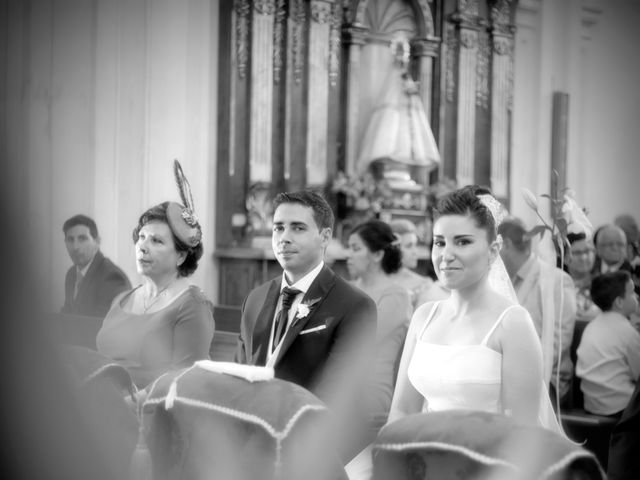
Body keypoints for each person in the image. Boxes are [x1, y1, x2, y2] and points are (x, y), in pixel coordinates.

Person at [345, 185, 560, 480]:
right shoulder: (424, 317)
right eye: (439, 242)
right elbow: (403, 411)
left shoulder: (513, 324)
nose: (446, 255)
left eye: (462, 242)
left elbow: (523, 434)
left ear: (493, 250)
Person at [234, 190, 377, 462]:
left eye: (298, 228)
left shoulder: (354, 305)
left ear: (324, 237)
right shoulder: (255, 299)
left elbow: (336, 395)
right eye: (278, 228)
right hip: (253, 442)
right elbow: (240, 373)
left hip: (317, 449)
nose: (284, 238)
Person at [96, 162, 214, 392]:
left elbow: (184, 385)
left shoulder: (193, 306)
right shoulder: (122, 299)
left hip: (149, 417)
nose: (143, 247)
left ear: (180, 256)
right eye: (141, 237)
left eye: (156, 241)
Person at [499, 216, 577, 407]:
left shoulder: (555, 280)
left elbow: (558, 342)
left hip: (548, 381)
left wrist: (519, 374)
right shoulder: (502, 282)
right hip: (505, 374)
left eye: (494, 247)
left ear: (505, 244)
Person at [346, 219, 412, 426]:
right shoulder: (346, 289)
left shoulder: (396, 296)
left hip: (370, 395)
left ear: (377, 254)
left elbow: (358, 341)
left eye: (356, 249)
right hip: (339, 385)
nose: (348, 256)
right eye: (349, 248)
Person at [576, 271, 640, 416]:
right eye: (632, 292)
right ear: (619, 302)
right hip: (620, 408)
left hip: (592, 404)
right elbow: (638, 375)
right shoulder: (628, 332)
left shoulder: (591, 326)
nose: (636, 296)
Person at [61, 214, 131, 318]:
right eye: (70, 240)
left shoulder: (112, 277)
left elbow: (101, 325)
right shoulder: (71, 274)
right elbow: (67, 315)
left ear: (97, 242)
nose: (75, 247)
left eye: (82, 239)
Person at [388, 218, 449, 310]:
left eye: (415, 245)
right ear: (392, 248)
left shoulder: (424, 285)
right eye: (409, 246)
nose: (415, 252)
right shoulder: (368, 280)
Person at [566, 232, 600, 322]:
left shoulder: (604, 284)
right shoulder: (558, 287)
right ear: (565, 258)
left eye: (588, 251)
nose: (583, 257)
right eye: (577, 253)